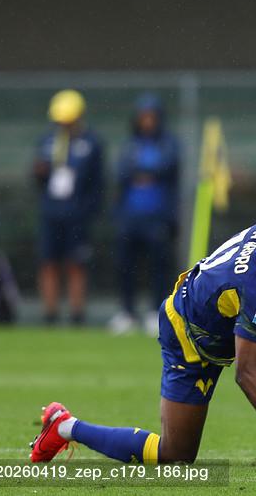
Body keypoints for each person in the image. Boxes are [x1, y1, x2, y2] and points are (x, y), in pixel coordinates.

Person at [30, 218, 256, 468]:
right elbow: (246, 373)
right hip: (190, 336)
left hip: (225, 311)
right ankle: (65, 426)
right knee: (176, 454)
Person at [110, 93, 180, 336]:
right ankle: (127, 312)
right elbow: (122, 172)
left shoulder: (168, 143)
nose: (147, 121)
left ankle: (156, 311)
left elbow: (166, 167)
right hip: (130, 217)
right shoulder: (131, 144)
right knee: (126, 266)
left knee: (159, 266)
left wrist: (144, 171)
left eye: (151, 116)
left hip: (157, 216)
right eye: (143, 117)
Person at [33, 90, 103, 325]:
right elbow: (37, 178)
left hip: (77, 213)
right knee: (48, 262)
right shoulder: (47, 141)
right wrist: (39, 173)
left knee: (76, 263)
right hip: (51, 211)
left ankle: (77, 314)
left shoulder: (91, 143)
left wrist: (88, 211)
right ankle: (49, 314)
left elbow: (97, 182)